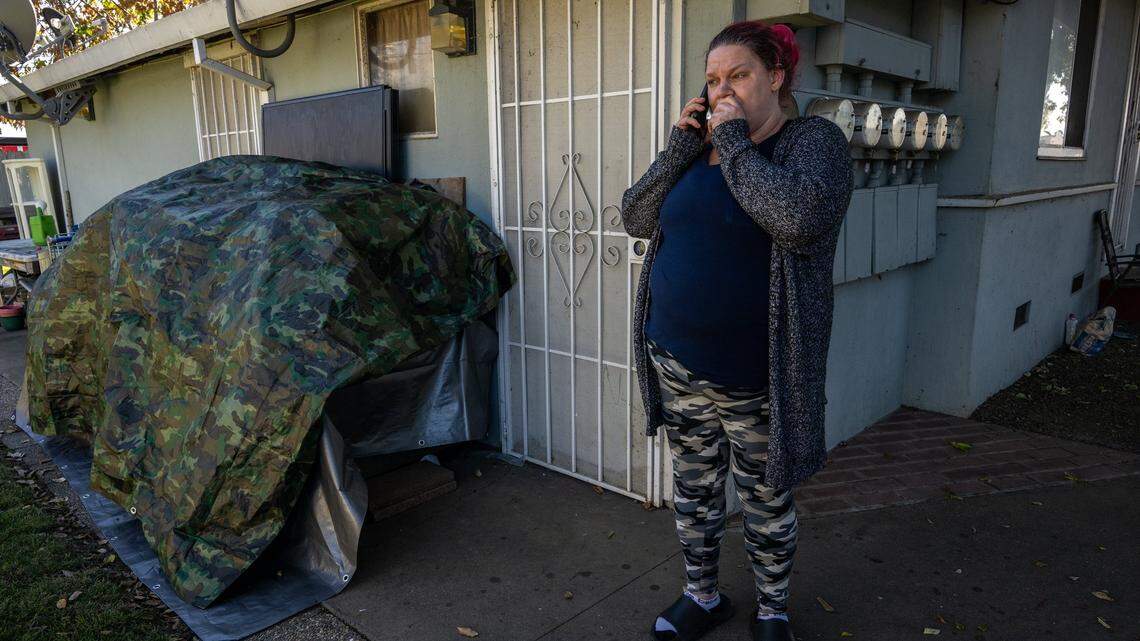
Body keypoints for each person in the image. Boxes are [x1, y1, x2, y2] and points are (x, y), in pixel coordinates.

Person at [620, 19, 854, 641]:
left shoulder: (812, 143)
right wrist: (679, 146)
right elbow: (635, 216)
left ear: (776, 77)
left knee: (765, 500)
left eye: (739, 75)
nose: (723, 90)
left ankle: (773, 609)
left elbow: (799, 219)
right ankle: (702, 596)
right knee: (694, 491)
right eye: (713, 79)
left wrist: (735, 141)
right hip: (674, 356)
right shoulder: (697, 151)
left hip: (758, 372)